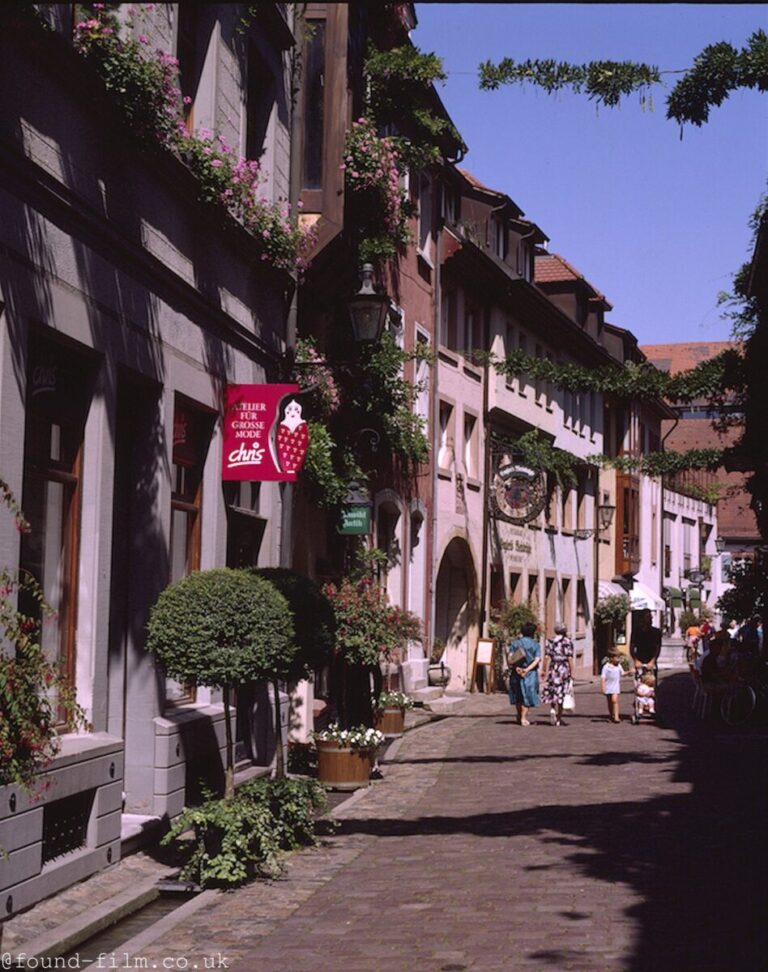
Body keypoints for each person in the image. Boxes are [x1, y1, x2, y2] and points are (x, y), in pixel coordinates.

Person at [540, 622, 575, 726]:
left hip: (553, 668)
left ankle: (552, 709)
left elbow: (547, 656)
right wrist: (572, 671)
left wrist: (543, 669)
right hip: (563, 669)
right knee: (561, 692)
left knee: (553, 690)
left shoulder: (550, 641)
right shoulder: (568, 642)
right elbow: (569, 658)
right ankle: (559, 719)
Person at [507, 622, 540, 726]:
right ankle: (523, 717)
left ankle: (519, 714)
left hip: (516, 672)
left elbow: (510, 658)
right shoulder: (535, 644)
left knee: (518, 695)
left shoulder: (515, 643)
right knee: (528, 695)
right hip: (530, 673)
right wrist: (527, 669)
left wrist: (516, 667)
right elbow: (537, 659)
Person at [601, 649, 626, 723]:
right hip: (608, 686)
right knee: (609, 701)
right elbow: (603, 678)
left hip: (615, 686)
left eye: (619, 657)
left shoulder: (619, 666)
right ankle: (611, 714)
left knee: (614, 700)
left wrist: (629, 672)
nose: (618, 659)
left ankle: (616, 717)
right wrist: (603, 687)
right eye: (617, 657)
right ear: (611, 658)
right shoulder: (606, 667)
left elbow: (622, 673)